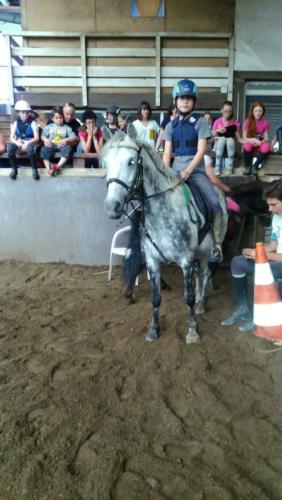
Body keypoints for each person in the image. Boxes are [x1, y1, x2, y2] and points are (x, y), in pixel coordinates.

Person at [163, 78, 224, 262]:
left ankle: (217, 244)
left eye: (189, 98)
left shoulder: (200, 123)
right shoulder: (169, 126)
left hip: (195, 172)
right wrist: (166, 174)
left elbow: (201, 150)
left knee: (215, 203)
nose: (185, 101)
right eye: (182, 98)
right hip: (175, 172)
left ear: (194, 101)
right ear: (175, 100)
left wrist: (188, 171)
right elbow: (166, 154)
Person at [221, 180, 282, 332]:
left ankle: (262, 319)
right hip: (275, 260)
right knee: (237, 263)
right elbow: (274, 246)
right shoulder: (277, 217)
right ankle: (243, 309)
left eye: (273, 205)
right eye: (268, 205)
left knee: (267, 271)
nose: (269, 209)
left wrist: (262, 254)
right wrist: (254, 251)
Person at [8, 100, 40, 180]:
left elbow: (36, 138)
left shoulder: (32, 123)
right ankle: (14, 169)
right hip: (19, 142)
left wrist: (27, 143)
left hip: (30, 142)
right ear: (18, 112)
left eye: (27, 112)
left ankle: (34, 170)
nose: (25, 114)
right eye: (22, 112)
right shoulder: (16, 123)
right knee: (10, 148)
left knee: (30, 150)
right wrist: (17, 142)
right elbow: (11, 137)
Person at [41, 106, 76, 176]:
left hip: (62, 145)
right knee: (43, 150)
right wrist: (46, 140)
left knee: (68, 148)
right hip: (51, 145)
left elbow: (73, 137)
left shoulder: (67, 127)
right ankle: (49, 169)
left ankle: (58, 166)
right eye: (56, 118)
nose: (59, 120)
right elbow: (42, 136)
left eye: (61, 117)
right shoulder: (49, 127)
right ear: (52, 118)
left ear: (63, 117)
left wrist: (66, 140)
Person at [242, 101, 270, 175]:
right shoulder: (247, 121)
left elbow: (266, 138)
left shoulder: (265, 122)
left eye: (260, 111)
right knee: (247, 145)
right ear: (253, 111)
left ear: (263, 111)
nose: (258, 113)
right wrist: (253, 140)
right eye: (256, 111)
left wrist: (260, 142)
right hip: (250, 141)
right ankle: (247, 167)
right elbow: (244, 137)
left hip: (259, 141)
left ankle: (255, 166)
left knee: (266, 146)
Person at [212, 101, 241, 176]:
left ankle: (229, 167)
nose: (227, 114)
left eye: (229, 112)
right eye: (225, 111)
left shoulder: (234, 123)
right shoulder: (217, 122)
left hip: (229, 147)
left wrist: (250, 140)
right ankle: (217, 166)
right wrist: (217, 130)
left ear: (232, 112)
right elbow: (212, 136)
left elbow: (239, 139)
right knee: (222, 139)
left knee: (230, 139)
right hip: (218, 146)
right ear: (221, 110)